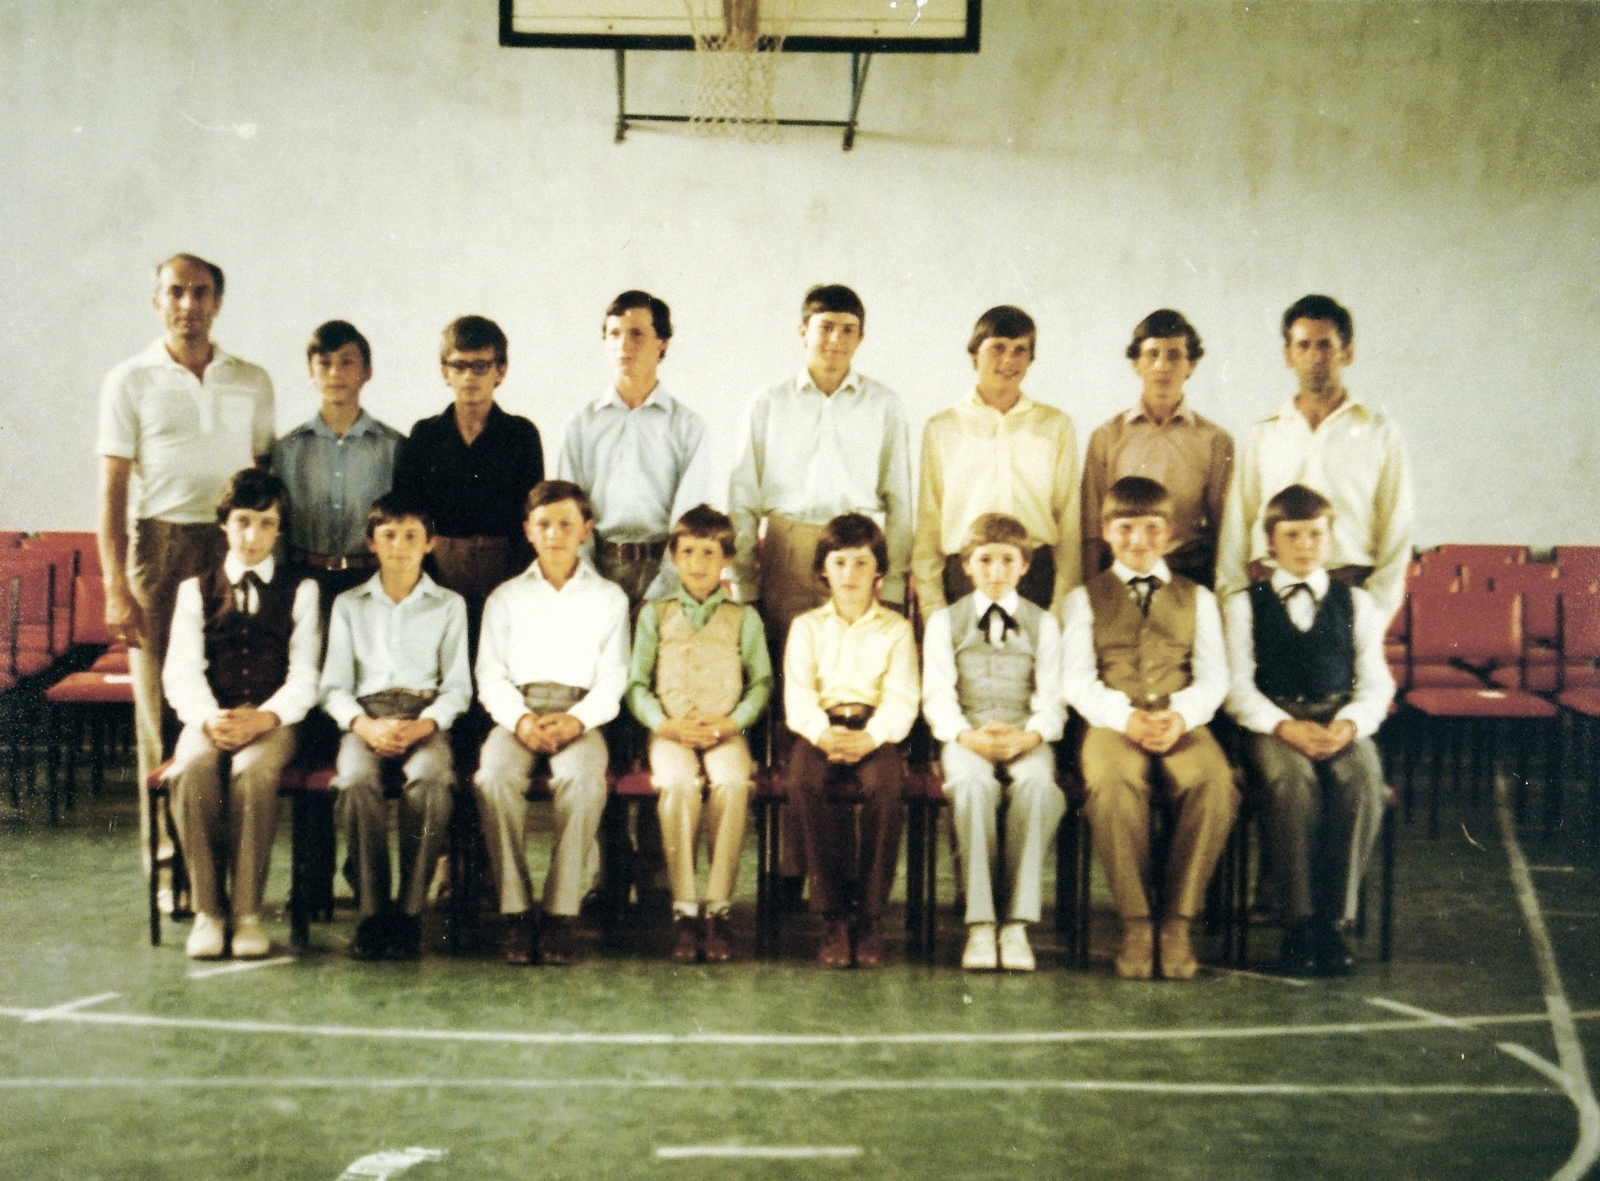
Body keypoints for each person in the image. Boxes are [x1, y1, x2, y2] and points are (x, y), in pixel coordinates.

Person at [727, 283, 913, 904]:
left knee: (853, 686)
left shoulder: (884, 404)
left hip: (858, 550)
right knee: (794, 700)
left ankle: (842, 867)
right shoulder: (769, 402)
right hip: (787, 543)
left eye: (847, 329)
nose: (834, 339)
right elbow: (744, 493)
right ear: (802, 331)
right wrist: (747, 581)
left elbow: (899, 496)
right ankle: (787, 863)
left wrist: (896, 576)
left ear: (861, 337)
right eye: (823, 327)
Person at [97, 254, 276, 896]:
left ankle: (220, 866)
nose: (188, 305)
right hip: (162, 548)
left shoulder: (251, 380)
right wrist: (117, 584)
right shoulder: (129, 380)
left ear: (218, 303)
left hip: (235, 547)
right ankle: (169, 869)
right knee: (163, 714)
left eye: (201, 293)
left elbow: (264, 478)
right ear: (156, 301)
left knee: (230, 702)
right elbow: (113, 493)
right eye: (175, 292)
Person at [1060, 476, 1236, 981]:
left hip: (1182, 717)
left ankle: (1176, 922)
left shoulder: (1197, 598)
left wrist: (1181, 714)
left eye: (1151, 529)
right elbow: (1076, 680)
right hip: (1113, 719)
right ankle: (1137, 921)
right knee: (1113, 785)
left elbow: (1214, 676)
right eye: (1126, 528)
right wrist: (1125, 717)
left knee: (1213, 782)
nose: (1139, 540)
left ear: (1171, 533)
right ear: (1106, 532)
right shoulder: (1083, 599)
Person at [1223, 484, 1394, 977]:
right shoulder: (1244, 605)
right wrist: (1283, 727)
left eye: (1315, 534)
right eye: (1292, 535)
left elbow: (1376, 681)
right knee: (1289, 783)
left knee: (1360, 780)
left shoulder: (1356, 603)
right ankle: (1297, 922)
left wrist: (1349, 725)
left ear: (1330, 538)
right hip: (1273, 723)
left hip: (1340, 718)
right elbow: (1238, 686)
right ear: (1270, 542)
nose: (1304, 545)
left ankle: (1333, 921)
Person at [161, 469, 320, 959]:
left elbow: (305, 675)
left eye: (267, 524)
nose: (253, 536)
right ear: (224, 524)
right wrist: (209, 718)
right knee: (191, 767)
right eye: (243, 522)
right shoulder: (196, 588)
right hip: (211, 716)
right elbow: (181, 671)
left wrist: (266, 718)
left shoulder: (302, 589)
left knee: (253, 773)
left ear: (279, 529)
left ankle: (248, 913)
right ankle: (210, 912)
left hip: (273, 720)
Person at [473, 480, 629, 966]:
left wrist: (578, 720)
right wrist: (519, 720)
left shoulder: (609, 597)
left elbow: (614, 677)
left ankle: (561, 913)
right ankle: (516, 910)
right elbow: (489, 674)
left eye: (566, 524)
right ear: (527, 531)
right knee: (493, 777)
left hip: (580, 715)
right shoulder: (505, 597)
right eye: (544, 524)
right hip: (518, 713)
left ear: (586, 530)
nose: (555, 534)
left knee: (582, 781)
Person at [319, 494, 472, 961]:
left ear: (430, 544)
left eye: (411, 536)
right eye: (389, 536)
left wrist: (424, 725)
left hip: (424, 718)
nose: (400, 546)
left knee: (430, 780)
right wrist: (363, 726)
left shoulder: (449, 605)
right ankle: (372, 911)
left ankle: (408, 911)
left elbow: (458, 688)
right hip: (366, 718)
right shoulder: (349, 605)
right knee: (355, 780)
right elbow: (333, 687)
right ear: (371, 543)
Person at [624, 505, 772, 963]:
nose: (697, 562)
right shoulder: (656, 613)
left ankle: (719, 908)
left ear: (726, 557)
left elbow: (761, 682)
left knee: (731, 783)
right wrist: (662, 723)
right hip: (671, 730)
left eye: (708, 552)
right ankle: (685, 907)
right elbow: (636, 684)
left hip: (724, 730)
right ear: (673, 556)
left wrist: (733, 723)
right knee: (678, 785)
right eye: (687, 551)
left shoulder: (743, 617)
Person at [922, 513, 1065, 972]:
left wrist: (1030, 735)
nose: (996, 571)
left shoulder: (1045, 624)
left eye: (1008, 560)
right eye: (985, 560)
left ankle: (1016, 924)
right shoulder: (945, 622)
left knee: (1038, 788)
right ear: (967, 565)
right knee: (972, 787)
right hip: (969, 732)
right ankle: (981, 923)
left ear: (1025, 566)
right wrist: (966, 735)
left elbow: (1052, 698)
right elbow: (937, 696)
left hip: (1025, 732)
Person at [1217, 294, 1414, 625]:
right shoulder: (1263, 435)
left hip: (1348, 590)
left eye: (1325, 346)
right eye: (1303, 346)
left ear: (1347, 353)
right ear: (1288, 355)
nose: (1314, 358)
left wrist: (1376, 613)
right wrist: (1233, 603)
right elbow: (1237, 523)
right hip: (1270, 590)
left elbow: (1397, 529)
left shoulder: (1380, 434)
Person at [783, 513, 918, 969]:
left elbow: (903, 697)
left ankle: (871, 914)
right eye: (839, 563)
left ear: (879, 571)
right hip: (820, 729)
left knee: (886, 787)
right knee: (802, 782)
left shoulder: (896, 629)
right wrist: (823, 734)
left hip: (873, 729)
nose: (850, 574)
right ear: (824, 569)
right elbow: (797, 694)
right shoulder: (806, 627)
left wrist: (872, 736)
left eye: (862, 563)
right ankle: (833, 915)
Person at [912, 305, 1081, 618]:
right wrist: (933, 606)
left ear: (1031, 359)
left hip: (1035, 576)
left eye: (1020, 350)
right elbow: (929, 520)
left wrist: (1061, 603)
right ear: (974, 353)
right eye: (997, 348)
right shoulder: (942, 427)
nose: (1008, 360)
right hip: (965, 575)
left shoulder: (1055, 426)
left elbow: (1068, 519)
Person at [390, 315, 544, 650]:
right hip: (439, 572)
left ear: (500, 370)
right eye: (458, 366)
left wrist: (516, 583)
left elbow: (530, 517)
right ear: (445, 371)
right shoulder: (425, 435)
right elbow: (408, 513)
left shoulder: (521, 435)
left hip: (504, 571)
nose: (469, 377)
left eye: (480, 366)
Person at [558, 290, 712, 605]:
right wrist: (590, 582)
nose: (624, 344)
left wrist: (663, 588)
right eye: (614, 334)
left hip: (666, 569)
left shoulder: (687, 426)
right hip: (598, 568)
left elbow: (689, 516)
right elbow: (569, 510)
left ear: (663, 342)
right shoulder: (582, 425)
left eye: (636, 334)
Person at [1080, 309, 1233, 587]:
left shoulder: (1214, 440)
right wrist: (1093, 593)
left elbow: (1224, 529)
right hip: (1121, 571)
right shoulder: (1107, 437)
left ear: (1192, 364)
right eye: (1152, 354)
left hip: (1188, 571)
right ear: (1136, 362)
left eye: (1174, 355)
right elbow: (1092, 531)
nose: (1162, 365)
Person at [272, 320, 403, 614]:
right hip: (303, 579)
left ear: (366, 372)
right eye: (324, 363)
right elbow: (277, 526)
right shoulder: (288, 449)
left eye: (347, 362)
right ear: (311, 373)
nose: (335, 373)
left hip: (372, 579)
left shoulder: (393, 447)